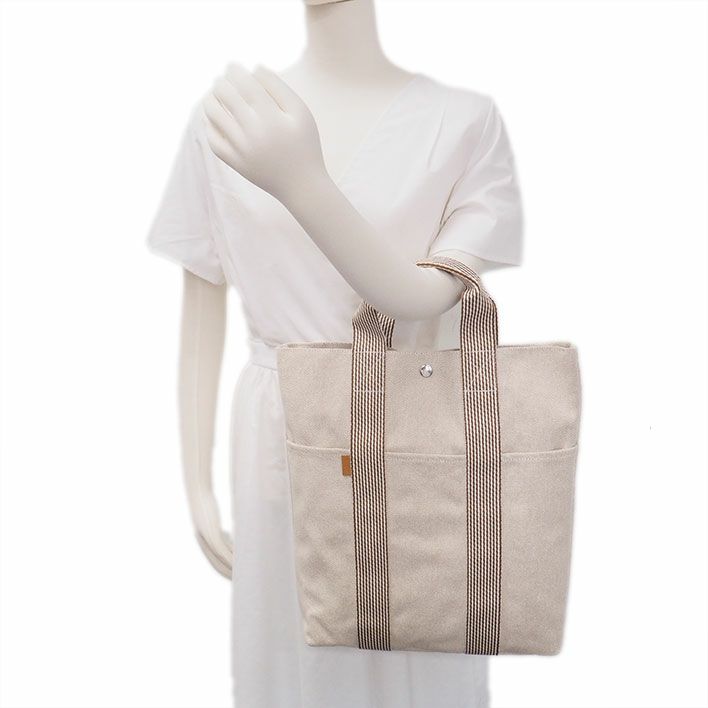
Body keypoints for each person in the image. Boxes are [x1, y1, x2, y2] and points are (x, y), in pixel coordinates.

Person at [146, 1, 523, 705]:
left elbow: (421, 297)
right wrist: (197, 486)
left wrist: (302, 182)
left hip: (416, 428)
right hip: (280, 429)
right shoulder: (228, 118)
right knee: (295, 660)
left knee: (419, 659)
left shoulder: (464, 121)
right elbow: (201, 303)